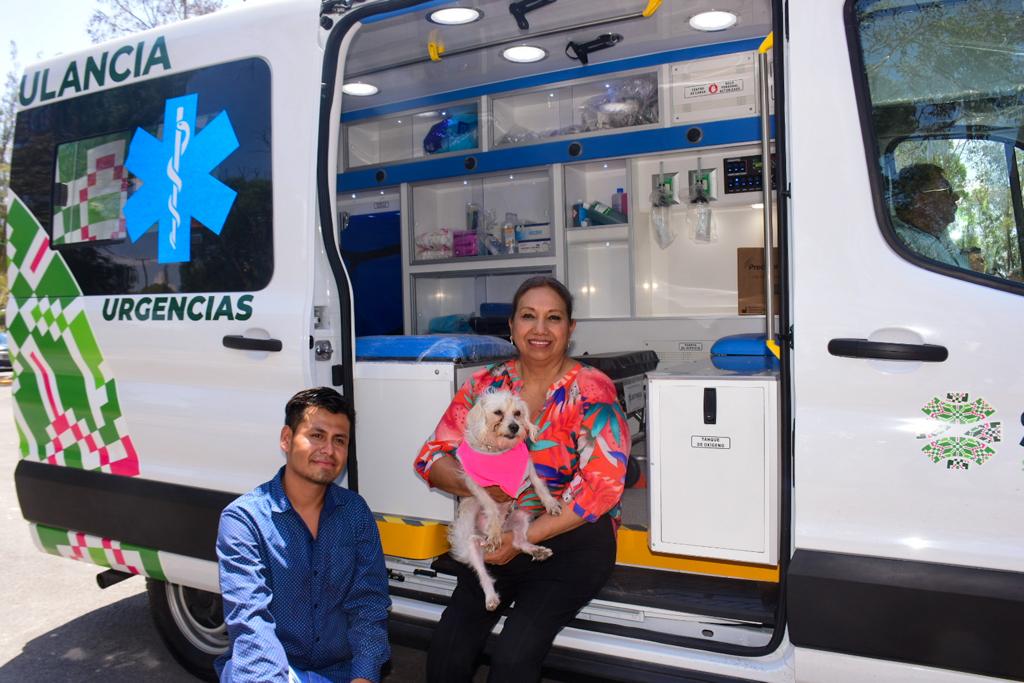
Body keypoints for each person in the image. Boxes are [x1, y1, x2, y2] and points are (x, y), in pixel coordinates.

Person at [414, 275, 630, 683]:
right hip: (497, 537)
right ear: (512, 326)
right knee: (446, 655)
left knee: (513, 660)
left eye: (554, 318)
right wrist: (477, 488)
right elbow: (432, 456)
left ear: (570, 328)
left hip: (571, 540)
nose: (540, 329)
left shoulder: (592, 389)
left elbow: (603, 486)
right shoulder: (485, 385)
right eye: (529, 316)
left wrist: (520, 541)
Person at [216, 387, 390, 683]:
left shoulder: (355, 512)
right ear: (286, 438)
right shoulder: (245, 520)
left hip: (340, 674)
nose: (329, 450)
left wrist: (363, 676)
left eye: (339, 440)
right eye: (317, 435)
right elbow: (250, 621)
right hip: (272, 672)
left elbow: (369, 604)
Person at [891, 163, 971, 269]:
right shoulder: (899, 243)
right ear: (921, 199)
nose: (956, 197)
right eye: (947, 190)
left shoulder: (939, 232)